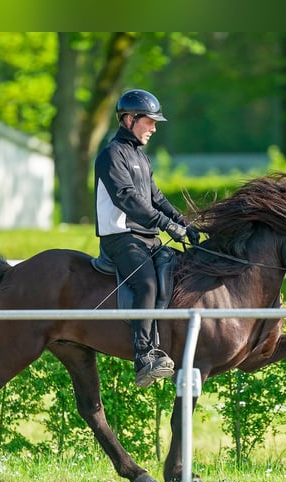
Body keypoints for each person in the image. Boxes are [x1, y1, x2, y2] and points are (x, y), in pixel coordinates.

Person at [94, 88, 200, 388]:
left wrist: (184, 223)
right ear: (129, 119)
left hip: (146, 237)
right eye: (150, 122)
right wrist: (167, 226)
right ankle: (144, 357)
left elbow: (155, 198)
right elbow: (128, 199)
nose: (154, 128)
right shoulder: (110, 155)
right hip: (121, 238)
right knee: (147, 283)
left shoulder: (140, 157)